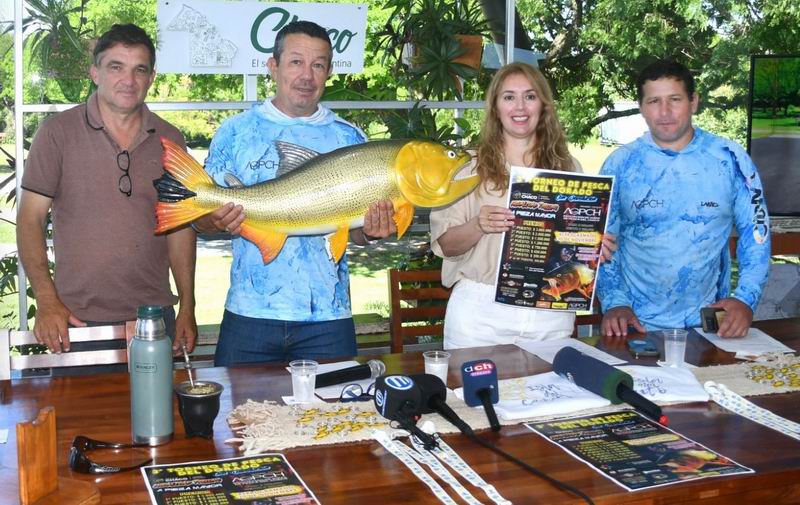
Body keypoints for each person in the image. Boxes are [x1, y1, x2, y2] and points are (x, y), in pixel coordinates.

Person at [192, 21, 395, 365]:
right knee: (239, 418)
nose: (307, 75)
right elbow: (200, 222)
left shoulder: (351, 139)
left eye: (318, 65)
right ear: (273, 66)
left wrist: (372, 232)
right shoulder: (235, 132)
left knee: (333, 416)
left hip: (328, 318)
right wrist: (214, 220)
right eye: (296, 62)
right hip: (250, 313)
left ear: (329, 71)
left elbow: (356, 233)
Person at [17, 24, 197, 358]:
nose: (128, 80)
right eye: (116, 67)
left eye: (139, 70)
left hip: (154, 321)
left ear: (151, 77)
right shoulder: (57, 133)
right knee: (76, 412)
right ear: (95, 72)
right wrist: (46, 299)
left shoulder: (171, 140)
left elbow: (180, 229)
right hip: (76, 323)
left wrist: (188, 306)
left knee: (158, 412)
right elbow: (30, 220)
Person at [430, 62, 612, 349]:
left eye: (530, 96)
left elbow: (572, 251)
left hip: (550, 313)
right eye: (509, 97)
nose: (520, 107)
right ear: (495, 107)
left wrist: (593, 245)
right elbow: (445, 246)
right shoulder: (465, 167)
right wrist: (478, 225)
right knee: (470, 396)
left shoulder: (569, 167)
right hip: (480, 315)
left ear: (543, 105)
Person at [596, 59, 770, 338]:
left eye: (674, 99)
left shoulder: (731, 160)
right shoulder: (620, 165)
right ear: (641, 107)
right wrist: (616, 303)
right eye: (654, 101)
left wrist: (745, 299)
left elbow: (756, 234)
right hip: (633, 326)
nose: (664, 112)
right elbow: (603, 244)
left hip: (709, 327)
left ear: (694, 102)